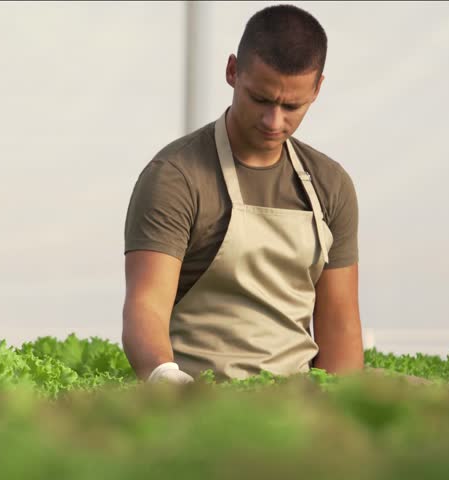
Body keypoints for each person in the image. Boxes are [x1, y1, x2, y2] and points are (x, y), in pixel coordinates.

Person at [122, 4, 363, 384]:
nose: (274, 121)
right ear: (233, 71)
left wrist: (346, 406)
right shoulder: (175, 177)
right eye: (261, 99)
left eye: (292, 106)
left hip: (298, 404)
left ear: (317, 88)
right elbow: (145, 305)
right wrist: (168, 380)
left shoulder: (329, 184)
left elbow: (340, 323)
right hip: (202, 398)